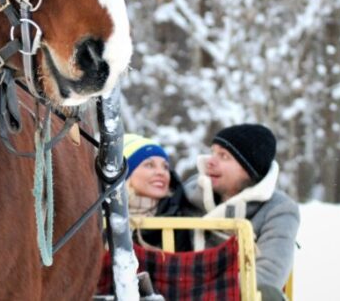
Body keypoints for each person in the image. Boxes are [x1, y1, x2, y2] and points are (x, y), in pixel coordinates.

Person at [184, 124, 299, 301]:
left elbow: (269, 274)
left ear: (250, 169)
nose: (210, 161)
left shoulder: (278, 209)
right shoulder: (188, 194)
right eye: (213, 152)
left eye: (224, 156)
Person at [123, 133, 193, 251]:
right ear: (125, 174)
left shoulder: (181, 216)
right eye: (149, 165)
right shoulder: (99, 217)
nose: (161, 172)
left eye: (165, 167)